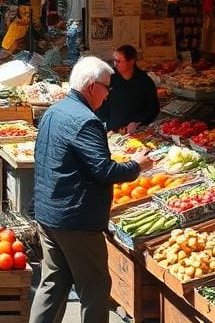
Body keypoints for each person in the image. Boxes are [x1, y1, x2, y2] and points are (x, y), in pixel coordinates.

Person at [29, 56, 152, 323]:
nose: (108, 95)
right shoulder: (87, 121)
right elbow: (104, 171)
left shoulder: (54, 111)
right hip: (76, 219)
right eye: (108, 87)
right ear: (92, 86)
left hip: (49, 213)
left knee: (53, 283)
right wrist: (136, 165)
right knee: (95, 288)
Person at [97, 44, 160, 132]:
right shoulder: (108, 78)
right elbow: (98, 104)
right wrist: (105, 124)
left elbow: (153, 108)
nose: (115, 64)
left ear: (131, 61)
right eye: (114, 60)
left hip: (137, 131)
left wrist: (138, 122)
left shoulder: (145, 81)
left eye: (119, 61)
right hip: (112, 131)